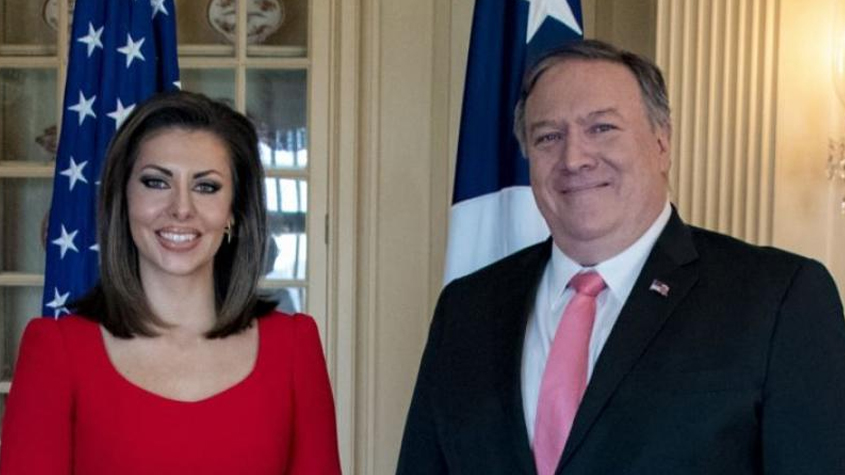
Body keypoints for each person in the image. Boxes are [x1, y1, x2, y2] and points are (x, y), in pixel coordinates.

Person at [396, 40, 845, 474]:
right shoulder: (466, 308)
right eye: (549, 136)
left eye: (602, 128)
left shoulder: (777, 298)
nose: (574, 158)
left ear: (662, 143)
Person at [0, 91, 342, 474]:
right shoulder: (56, 351)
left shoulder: (293, 348)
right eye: (156, 182)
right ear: (123, 198)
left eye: (206, 187)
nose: (181, 208)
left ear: (233, 210)